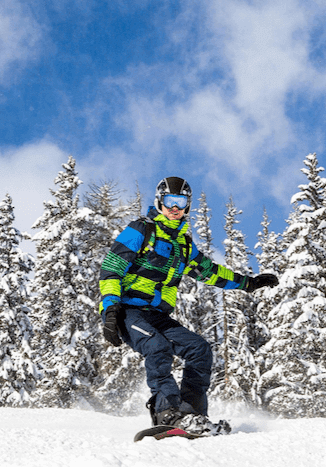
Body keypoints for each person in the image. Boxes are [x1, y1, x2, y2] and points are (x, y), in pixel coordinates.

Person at [98, 176, 279, 435]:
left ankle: (193, 415)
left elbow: (210, 272)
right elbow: (112, 268)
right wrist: (111, 309)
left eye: (181, 203)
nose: (175, 208)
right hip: (128, 310)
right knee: (157, 347)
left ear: (187, 207)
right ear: (159, 202)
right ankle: (168, 413)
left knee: (199, 349)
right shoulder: (141, 230)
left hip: (157, 314)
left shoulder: (183, 245)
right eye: (170, 201)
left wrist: (248, 284)